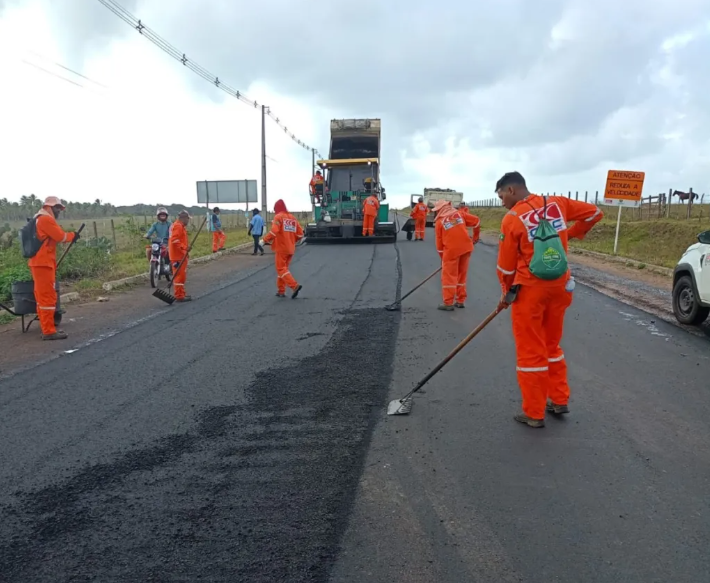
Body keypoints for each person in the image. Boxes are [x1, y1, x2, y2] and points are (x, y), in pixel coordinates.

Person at [494, 171, 603, 428]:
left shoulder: (511, 219)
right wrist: (575, 233)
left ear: (511, 190)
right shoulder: (558, 203)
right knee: (552, 345)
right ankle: (559, 399)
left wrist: (506, 294)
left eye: (501, 196)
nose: (501, 203)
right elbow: (595, 213)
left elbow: (507, 268)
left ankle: (534, 412)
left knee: (531, 350)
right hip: (561, 286)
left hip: (531, 290)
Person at [28, 196, 80, 340]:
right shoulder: (45, 219)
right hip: (43, 263)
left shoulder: (39, 218)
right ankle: (49, 331)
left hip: (40, 263)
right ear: (50, 207)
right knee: (47, 297)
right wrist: (73, 235)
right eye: (57, 208)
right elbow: (60, 236)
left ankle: (47, 327)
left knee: (42, 296)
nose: (59, 211)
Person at [433, 199, 480, 310]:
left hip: (451, 252)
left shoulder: (439, 222)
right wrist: (475, 237)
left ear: (439, 210)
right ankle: (460, 300)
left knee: (449, 277)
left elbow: (439, 245)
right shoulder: (460, 214)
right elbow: (477, 221)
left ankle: (448, 303)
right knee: (461, 275)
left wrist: (443, 259)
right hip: (466, 248)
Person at [262, 199, 303, 298]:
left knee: (280, 268)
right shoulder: (292, 218)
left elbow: (274, 231)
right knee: (284, 270)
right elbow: (300, 234)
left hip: (281, 248)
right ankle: (281, 291)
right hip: (291, 249)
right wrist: (292, 240)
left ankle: (294, 286)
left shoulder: (278, 217)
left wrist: (264, 240)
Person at [169, 210, 192, 302]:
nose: (188, 221)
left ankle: (181, 294)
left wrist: (185, 250)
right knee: (179, 276)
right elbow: (175, 241)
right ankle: (179, 296)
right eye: (187, 219)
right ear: (183, 218)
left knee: (181, 276)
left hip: (180, 255)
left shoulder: (179, 226)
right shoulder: (178, 226)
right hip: (177, 256)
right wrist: (185, 248)